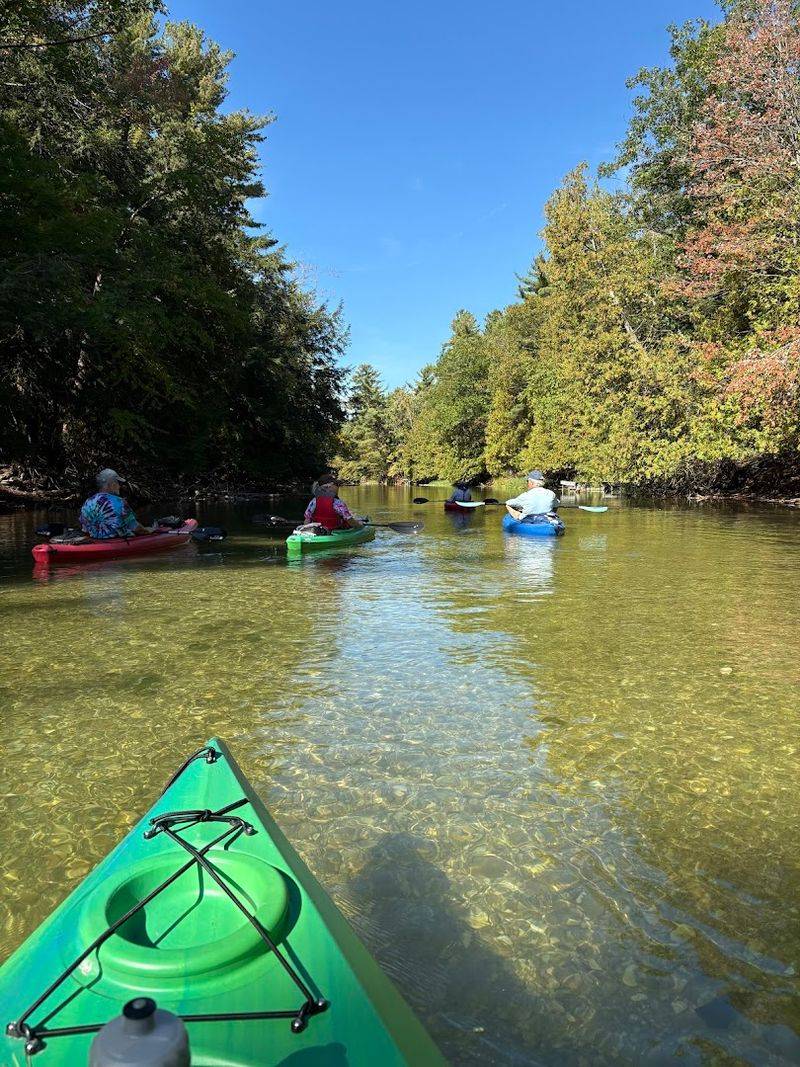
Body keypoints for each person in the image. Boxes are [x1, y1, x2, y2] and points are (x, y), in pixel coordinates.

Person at [79, 469, 154, 539]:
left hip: (94, 539)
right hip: (115, 541)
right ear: (111, 485)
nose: (119, 486)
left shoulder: (88, 502)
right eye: (118, 483)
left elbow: (85, 529)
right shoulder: (120, 502)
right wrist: (149, 531)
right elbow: (136, 528)